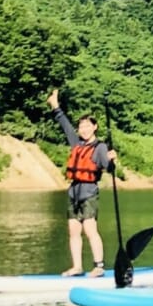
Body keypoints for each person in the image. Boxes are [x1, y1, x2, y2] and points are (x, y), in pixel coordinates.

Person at [47, 88, 117, 277]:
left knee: (90, 229)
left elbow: (107, 169)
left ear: (95, 127)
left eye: (87, 126)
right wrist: (55, 106)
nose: (83, 129)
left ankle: (99, 266)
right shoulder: (77, 144)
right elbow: (65, 125)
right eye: (81, 127)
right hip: (73, 192)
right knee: (73, 231)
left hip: (88, 192)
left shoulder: (100, 147)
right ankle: (77, 267)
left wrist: (112, 160)